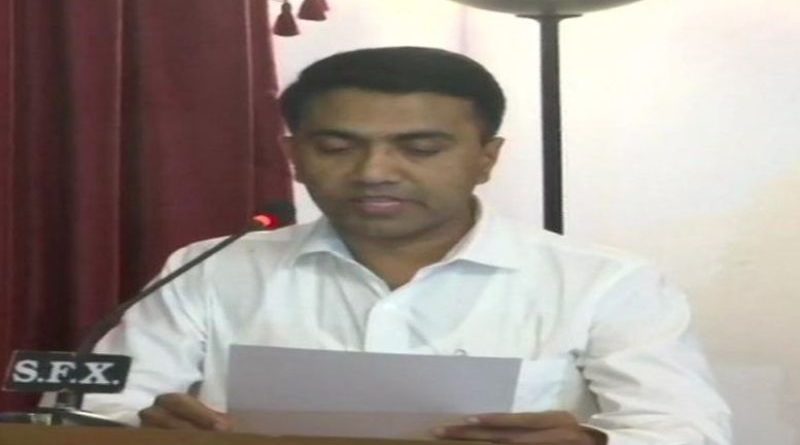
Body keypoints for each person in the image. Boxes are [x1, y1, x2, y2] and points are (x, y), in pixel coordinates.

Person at [81, 47, 731, 445]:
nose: (374, 172)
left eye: (419, 148)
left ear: (486, 157)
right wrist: (152, 426)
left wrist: (591, 442)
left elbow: (688, 429)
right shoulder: (211, 268)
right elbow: (100, 412)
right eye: (337, 147)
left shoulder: (604, 282)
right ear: (295, 156)